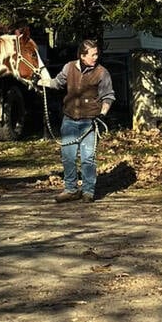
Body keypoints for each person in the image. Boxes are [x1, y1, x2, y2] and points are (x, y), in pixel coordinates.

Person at [44, 39, 115, 203]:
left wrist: (102, 114)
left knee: (87, 158)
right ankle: (70, 189)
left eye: (97, 54)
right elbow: (57, 83)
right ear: (82, 56)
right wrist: (41, 82)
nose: (96, 57)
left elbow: (108, 96)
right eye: (93, 54)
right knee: (68, 157)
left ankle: (88, 191)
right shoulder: (69, 68)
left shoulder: (102, 73)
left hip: (89, 122)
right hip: (69, 120)